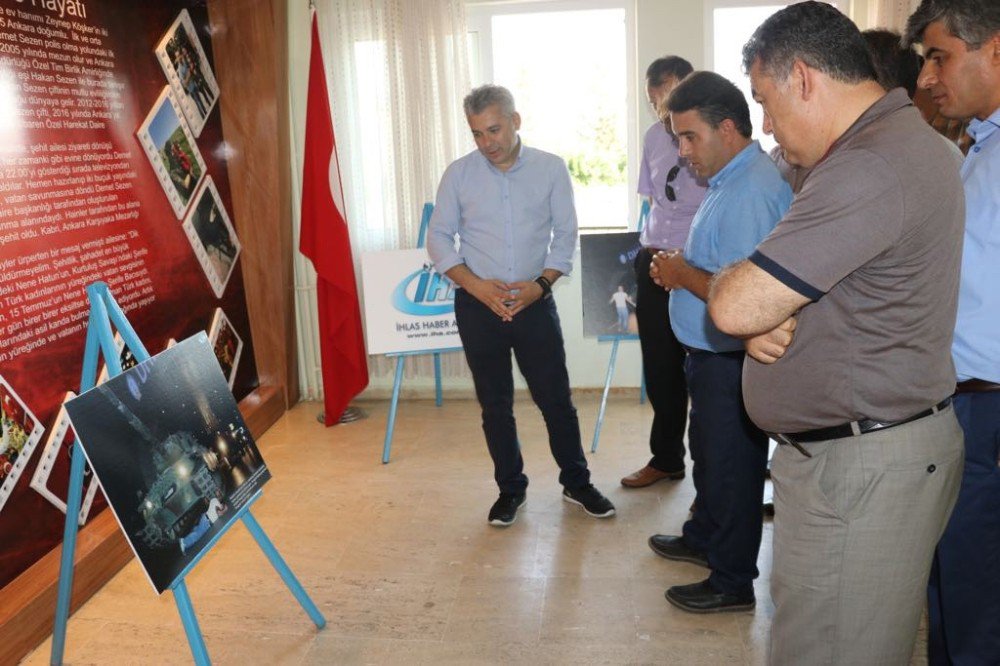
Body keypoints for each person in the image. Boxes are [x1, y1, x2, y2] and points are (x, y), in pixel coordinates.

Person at [708, 3, 965, 663]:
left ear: (803, 79)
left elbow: (737, 305)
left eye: (765, 102)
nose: (765, 125)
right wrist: (768, 307)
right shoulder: (884, 148)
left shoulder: (869, 167)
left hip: (862, 468)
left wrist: (728, 289)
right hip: (857, 457)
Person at [427, 84, 615, 527]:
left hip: (534, 303)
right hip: (477, 306)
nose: (486, 142)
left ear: (516, 120)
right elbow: (438, 238)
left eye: (493, 129)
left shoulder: (551, 169)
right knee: (495, 405)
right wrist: (476, 287)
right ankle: (510, 489)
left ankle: (577, 482)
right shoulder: (459, 174)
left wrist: (540, 286)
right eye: (476, 134)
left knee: (556, 401)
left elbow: (565, 237)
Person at [643, 71, 791, 613]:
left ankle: (731, 580)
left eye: (689, 137)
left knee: (732, 468)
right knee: (709, 455)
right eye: (677, 139)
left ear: (727, 128)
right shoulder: (729, 179)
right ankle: (704, 536)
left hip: (731, 360)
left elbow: (750, 298)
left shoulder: (751, 190)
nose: (682, 152)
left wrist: (682, 276)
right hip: (709, 356)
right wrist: (681, 271)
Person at [905, 2, 1000, 663]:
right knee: (952, 580)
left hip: (992, 407)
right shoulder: (979, 151)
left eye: (939, 56)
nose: (930, 77)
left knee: (978, 595)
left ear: (995, 50)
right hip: (958, 399)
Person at [621, 56, 709, 489]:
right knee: (660, 369)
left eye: (668, 98)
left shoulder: (712, 136)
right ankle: (667, 458)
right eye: (654, 102)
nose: (662, 111)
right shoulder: (653, 137)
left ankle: (716, 477)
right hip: (653, 259)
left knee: (709, 373)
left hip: (700, 265)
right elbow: (653, 200)